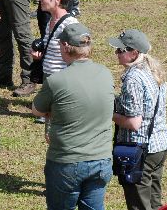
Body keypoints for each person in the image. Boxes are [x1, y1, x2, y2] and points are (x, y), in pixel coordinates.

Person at [32, 23, 114, 210]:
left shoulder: (56, 81)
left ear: (66, 47)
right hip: (101, 160)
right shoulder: (106, 74)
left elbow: (36, 110)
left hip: (67, 162)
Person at [109, 29, 167, 210]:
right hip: (160, 145)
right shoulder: (152, 69)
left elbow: (134, 122)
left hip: (140, 149)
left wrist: (107, 114)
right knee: (154, 203)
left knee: (139, 205)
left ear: (134, 53)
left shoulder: (133, 78)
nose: (116, 53)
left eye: (121, 50)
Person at [31, 0, 78, 123]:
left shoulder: (70, 25)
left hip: (61, 82)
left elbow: (78, 57)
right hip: (49, 78)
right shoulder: (50, 21)